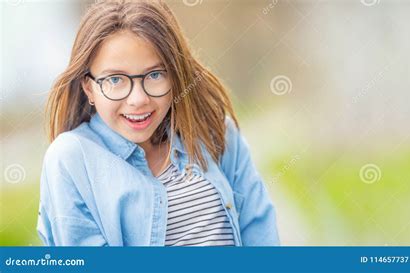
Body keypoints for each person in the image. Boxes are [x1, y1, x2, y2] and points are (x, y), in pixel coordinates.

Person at [36, 0, 279, 246]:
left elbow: (261, 237)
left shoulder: (215, 130)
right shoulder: (70, 159)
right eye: (116, 79)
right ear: (89, 87)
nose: (138, 99)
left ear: (175, 74)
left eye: (155, 75)